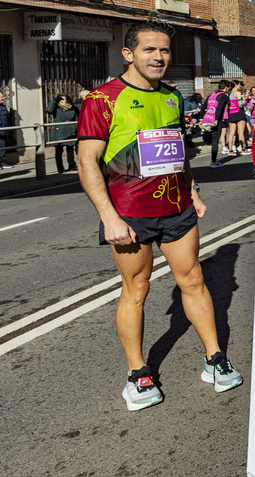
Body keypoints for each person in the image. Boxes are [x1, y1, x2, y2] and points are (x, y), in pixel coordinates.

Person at [77, 22, 241, 411]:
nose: (159, 57)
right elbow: (87, 163)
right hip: (129, 216)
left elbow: (177, 151)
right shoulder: (103, 99)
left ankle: (214, 358)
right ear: (129, 54)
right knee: (137, 289)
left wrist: (194, 190)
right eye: (150, 50)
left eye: (165, 51)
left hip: (177, 207)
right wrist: (109, 218)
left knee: (195, 279)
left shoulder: (172, 97)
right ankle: (137, 373)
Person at [201, 81, 232, 168]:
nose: (229, 89)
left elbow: (204, 106)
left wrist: (200, 119)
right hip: (215, 120)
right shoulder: (223, 96)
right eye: (229, 87)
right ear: (226, 87)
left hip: (207, 118)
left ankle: (214, 161)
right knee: (215, 141)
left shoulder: (212, 94)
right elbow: (219, 108)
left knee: (212, 139)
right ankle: (213, 162)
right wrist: (216, 120)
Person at [46, 94, 78, 173]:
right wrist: (54, 100)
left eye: (65, 100)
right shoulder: (56, 108)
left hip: (70, 131)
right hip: (59, 132)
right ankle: (60, 169)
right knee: (59, 150)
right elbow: (48, 110)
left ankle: (72, 165)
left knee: (70, 149)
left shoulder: (72, 108)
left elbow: (77, 118)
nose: (63, 101)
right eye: (61, 100)